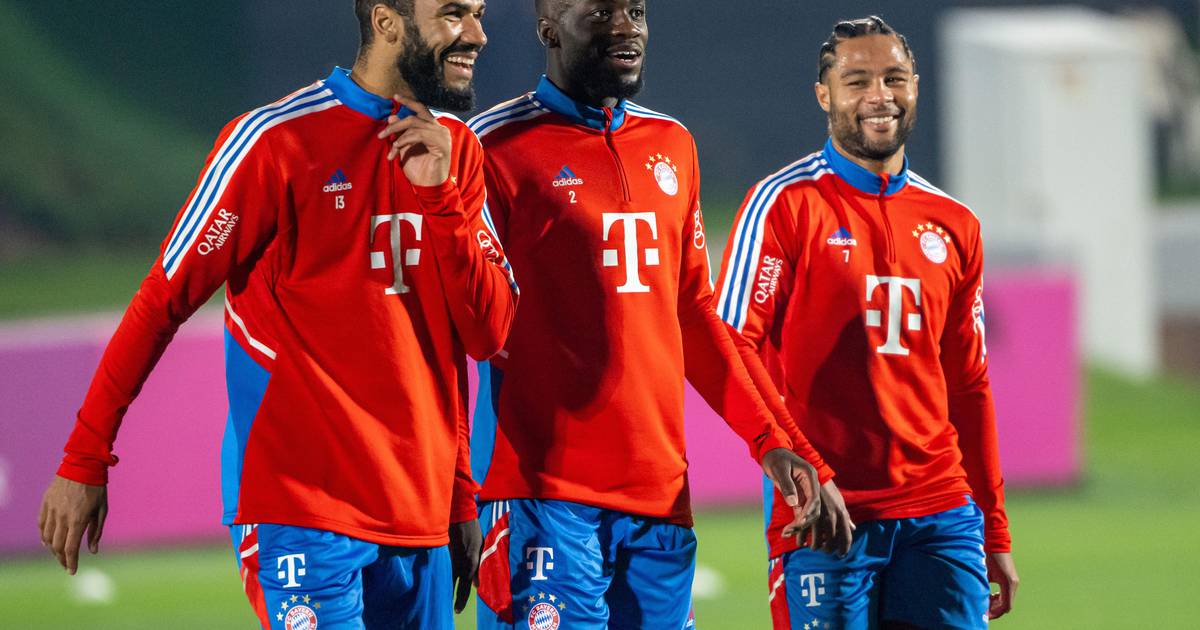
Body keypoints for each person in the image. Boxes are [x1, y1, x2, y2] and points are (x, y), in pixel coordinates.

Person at [36, 1, 515, 627]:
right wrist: (84, 458)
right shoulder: (273, 142)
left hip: (420, 515)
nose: (476, 34)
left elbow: (478, 337)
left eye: (478, 13)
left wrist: (459, 496)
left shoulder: (456, 152)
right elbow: (162, 301)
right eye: (453, 14)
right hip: (299, 507)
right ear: (386, 21)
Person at [446, 1, 841, 628]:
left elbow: (696, 315)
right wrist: (460, 487)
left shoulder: (672, 144)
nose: (625, 26)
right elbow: (457, 335)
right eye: (600, 12)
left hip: (661, 499)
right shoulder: (489, 147)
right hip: (541, 496)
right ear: (548, 28)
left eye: (635, 10)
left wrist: (773, 443)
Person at [715, 15, 1019, 630]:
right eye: (857, 82)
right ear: (823, 95)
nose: (880, 95)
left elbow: (969, 384)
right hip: (826, 513)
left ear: (915, 87)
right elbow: (730, 341)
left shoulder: (955, 222)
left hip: (942, 516)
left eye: (894, 78)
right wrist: (804, 467)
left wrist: (994, 528)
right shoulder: (784, 204)